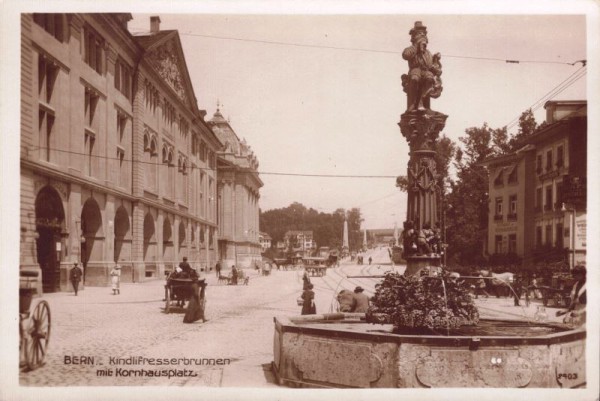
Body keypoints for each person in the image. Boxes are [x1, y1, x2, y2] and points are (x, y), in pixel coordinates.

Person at [401, 21, 441, 112]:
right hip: (415, 70)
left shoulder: (427, 53)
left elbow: (430, 66)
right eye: (420, 34)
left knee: (429, 78)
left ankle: (421, 100)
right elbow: (405, 55)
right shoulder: (412, 49)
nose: (422, 38)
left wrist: (436, 65)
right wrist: (415, 47)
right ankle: (414, 104)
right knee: (415, 78)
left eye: (423, 35)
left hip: (425, 71)